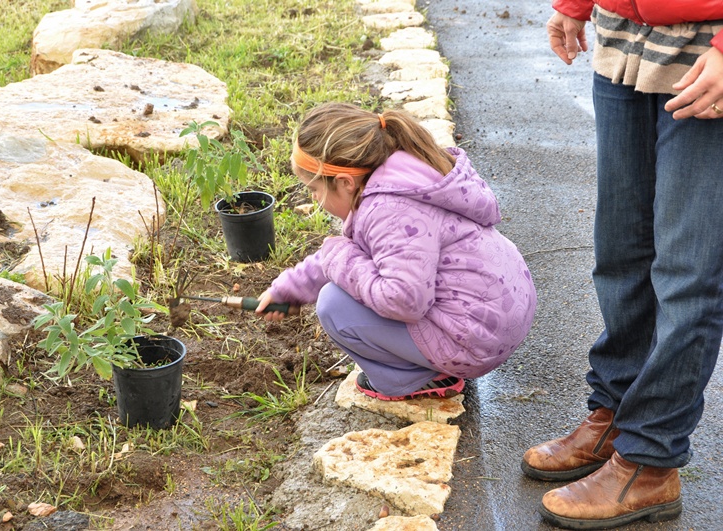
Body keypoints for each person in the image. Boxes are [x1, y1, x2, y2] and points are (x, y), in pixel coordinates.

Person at [521, 1, 723, 529]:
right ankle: (614, 414)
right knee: (621, 248)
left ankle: (650, 462)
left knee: (688, 270)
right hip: (624, 36)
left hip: (708, 49)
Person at [255, 102, 536, 401]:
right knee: (349, 269)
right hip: (499, 316)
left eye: (313, 189)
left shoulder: (388, 211)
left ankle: (413, 379)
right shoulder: (401, 174)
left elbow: (403, 301)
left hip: (475, 343)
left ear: (345, 183)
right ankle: (426, 362)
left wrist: (339, 258)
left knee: (333, 304)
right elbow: (350, 253)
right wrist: (289, 289)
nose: (314, 199)